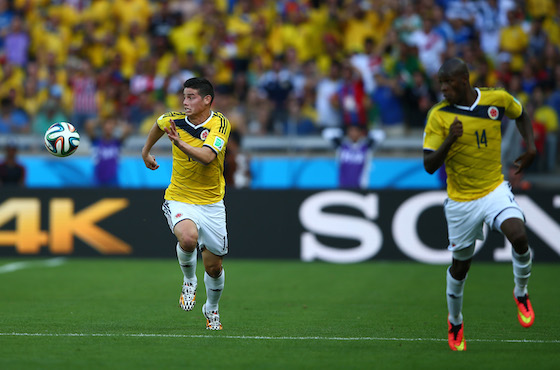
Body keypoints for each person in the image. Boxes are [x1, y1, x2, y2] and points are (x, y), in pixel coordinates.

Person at [423, 58, 536, 351]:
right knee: (460, 267)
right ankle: (455, 321)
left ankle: (521, 293)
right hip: (461, 201)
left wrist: (531, 147)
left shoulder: (495, 100)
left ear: (463, 80)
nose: (444, 89)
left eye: (448, 84)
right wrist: (450, 140)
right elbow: (428, 165)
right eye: (441, 85)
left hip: (494, 188)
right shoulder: (439, 115)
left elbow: (521, 113)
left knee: (519, 235)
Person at [141, 77, 231, 330]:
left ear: (207, 100)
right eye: (184, 96)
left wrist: (180, 142)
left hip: (212, 203)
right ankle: (189, 280)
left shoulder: (220, 124)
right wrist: (146, 151)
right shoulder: (174, 119)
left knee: (214, 268)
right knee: (188, 239)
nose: (185, 101)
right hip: (180, 196)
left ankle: (211, 307)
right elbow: (158, 125)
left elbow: (207, 157)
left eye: (191, 97)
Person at [86, 116, 132, 187]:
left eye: (111, 125)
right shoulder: (96, 141)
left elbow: (128, 129)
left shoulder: (117, 142)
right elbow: (88, 125)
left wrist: (117, 123)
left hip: (113, 181)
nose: (109, 127)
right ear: (103, 127)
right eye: (107, 125)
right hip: (97, 180)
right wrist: (100, 121)